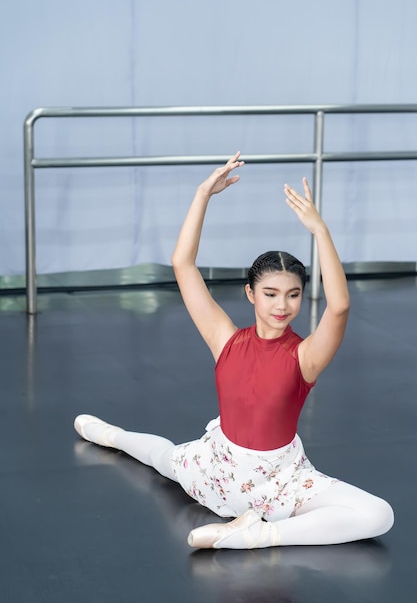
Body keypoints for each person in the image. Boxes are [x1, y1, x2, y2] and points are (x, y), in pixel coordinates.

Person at [74, 152, 394, 549]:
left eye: (293, 295)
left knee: (379, 514)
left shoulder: (305, 356)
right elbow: (182, 264)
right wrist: (202, 193)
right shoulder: (225, 339)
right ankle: (114, 435)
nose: (282, 305)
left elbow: (340, 306)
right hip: (218, 468)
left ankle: (260, 534)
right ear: (250, 294)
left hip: (281, 481)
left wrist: (320, 232)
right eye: (271, 294)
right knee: (163, 458)